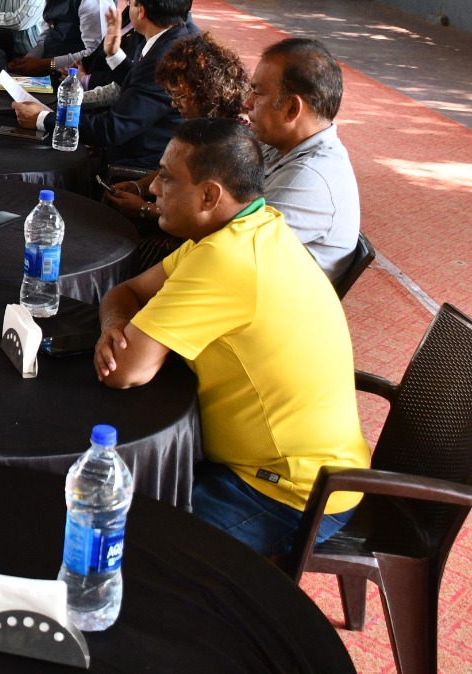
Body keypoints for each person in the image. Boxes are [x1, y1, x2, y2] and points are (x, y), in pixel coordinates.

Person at [94, 119, 371, 557]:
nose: (152, 191)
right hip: (274, 465)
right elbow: (125, 292)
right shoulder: (249, 227)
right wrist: (114, 327)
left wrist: (124, 336)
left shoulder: (227, 260)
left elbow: (125, 373)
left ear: (209, 196)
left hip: (288, 493)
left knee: (118, 545)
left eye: (166, 178)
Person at [14, 0, 200, 170]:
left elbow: (114, 128)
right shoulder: (176, 36)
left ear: (141, 10)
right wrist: (114, 55)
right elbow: (140, 88)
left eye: (130, 0)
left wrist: (43, 119)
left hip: (139, 163)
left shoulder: (165, 56)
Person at [244, 37, 361, 281]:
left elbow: (231, 249)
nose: (247, 103)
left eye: (257, 92)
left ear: (291, 109)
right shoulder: (281, 146)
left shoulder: (310, 177)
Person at [105, 30, 249, 221]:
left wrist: (144, 209)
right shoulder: (208, 124)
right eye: (171, 95)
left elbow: (203, 216)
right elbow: (175, 170)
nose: (174, 103)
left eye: (180, 95)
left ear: (206, 92)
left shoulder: (229, 143)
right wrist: (139, 186)